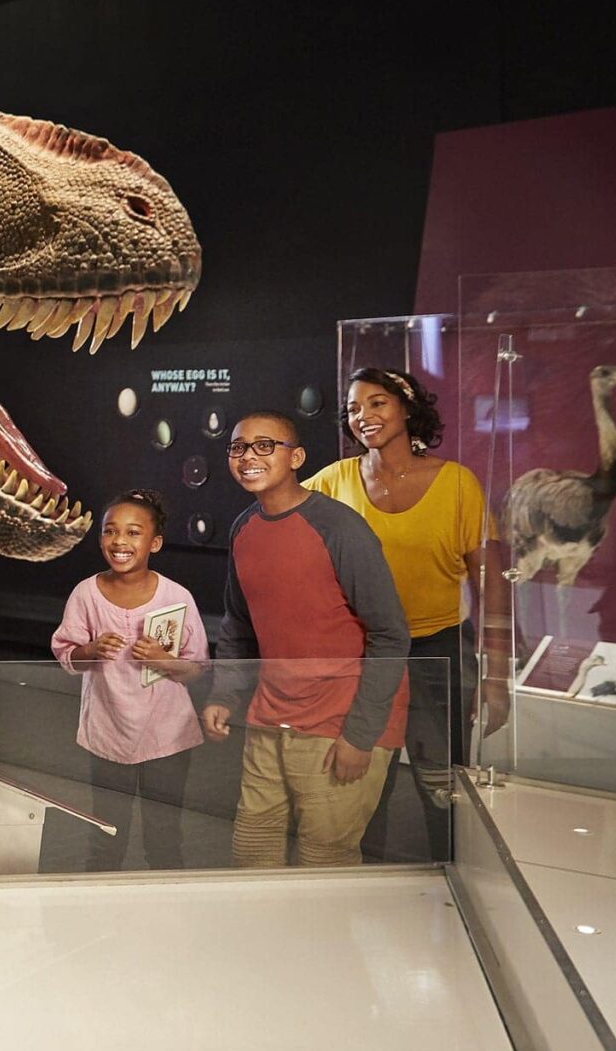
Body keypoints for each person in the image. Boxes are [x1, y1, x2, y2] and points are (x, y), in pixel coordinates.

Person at [303, 367, 503, 860]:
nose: (363, 416)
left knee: (443, 781)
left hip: (439, 648)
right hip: (366, 652)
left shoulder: (457, 484)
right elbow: (280, 519)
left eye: (377, 403)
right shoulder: (334, 480)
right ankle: (366, 880)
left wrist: (496, 676)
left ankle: (453, 875)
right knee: (364, 779)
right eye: (353, 408)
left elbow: (493, 584)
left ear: (407, 407)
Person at [199, 411, 411, 868]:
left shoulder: (339, 528)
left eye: (263, 445)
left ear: (296, 457)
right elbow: (238, 624)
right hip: (271, 715)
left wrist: (361, 735)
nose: (247, 456)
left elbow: (390, 633)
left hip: (340, 721)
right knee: (253, 848)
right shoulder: (244, 528)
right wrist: (226, 693)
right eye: (238, 446)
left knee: (323, 860)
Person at [50, 489, 206, 870]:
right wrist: (91, 650)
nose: (119, 541)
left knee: (164, 834)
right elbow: (66, 653)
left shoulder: (177, 596)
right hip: (107, 732)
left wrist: (164, 660)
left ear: (155, 542)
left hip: (168, 736)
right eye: (110, 531)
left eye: (133, 533)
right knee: (106, 834)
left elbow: (198, 667)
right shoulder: (86, 593)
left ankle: (169, 918)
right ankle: (99, 920)